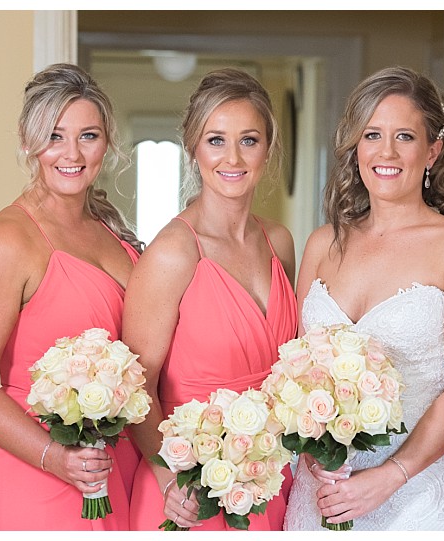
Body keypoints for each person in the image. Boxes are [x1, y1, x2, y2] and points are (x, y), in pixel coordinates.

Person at [283, 66, 444, 531]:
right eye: (372, 135)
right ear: (355, 147)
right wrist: (311, 454)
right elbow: (296, 371)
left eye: (404, 136)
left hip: (420, 496)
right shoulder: (323, 243)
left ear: (432, 151)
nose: (386, 152)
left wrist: (391, 476)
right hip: (323, 493)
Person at [0, 63, 143, 530]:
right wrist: (53, 456)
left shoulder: (107, 229)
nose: (71, 153)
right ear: (26, 140)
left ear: (107, 143)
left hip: (113, 468)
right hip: (34, 472)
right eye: (55, 136)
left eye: (88, 136)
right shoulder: (5, 243)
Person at [123, 68, 297, 531]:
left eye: (249, 139)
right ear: (192, 147)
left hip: (269, 483)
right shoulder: (173, 254)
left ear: (269, 148)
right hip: (189, 491)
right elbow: (137, 385)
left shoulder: (279, 241)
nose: (233, 157)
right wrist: (167, 477)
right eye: (216, 140)